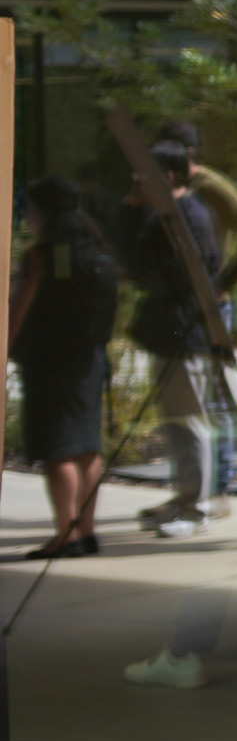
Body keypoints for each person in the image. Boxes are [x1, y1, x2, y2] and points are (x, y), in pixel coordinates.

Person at [111, 142, 223, 537]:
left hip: (185, 332)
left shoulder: (189, 217)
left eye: (144, 174)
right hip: (168, 333)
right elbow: (132, 258)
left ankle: (197, 509)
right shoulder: (165, 215)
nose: (137, 181)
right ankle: (184, 498)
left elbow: (181, 277)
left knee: (190, 420)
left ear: (168, 176)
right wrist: (130, 207)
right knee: (176, 421)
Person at [8, 177, 120, 560]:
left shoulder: (41, 255)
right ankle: (85, 532)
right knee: (86, 446)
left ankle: (66, 534)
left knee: (58, 448)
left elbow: (16, 314)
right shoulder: (93, 251)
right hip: (88, 359)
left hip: (49, 362)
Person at [160, 119, 237, 509]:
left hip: (213, 300)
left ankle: (216, 488)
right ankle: (198, 487)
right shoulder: (174, 190)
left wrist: (225, 281)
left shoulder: (211, 187)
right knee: (194, 401)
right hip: (190, 299)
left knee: (213, 398)